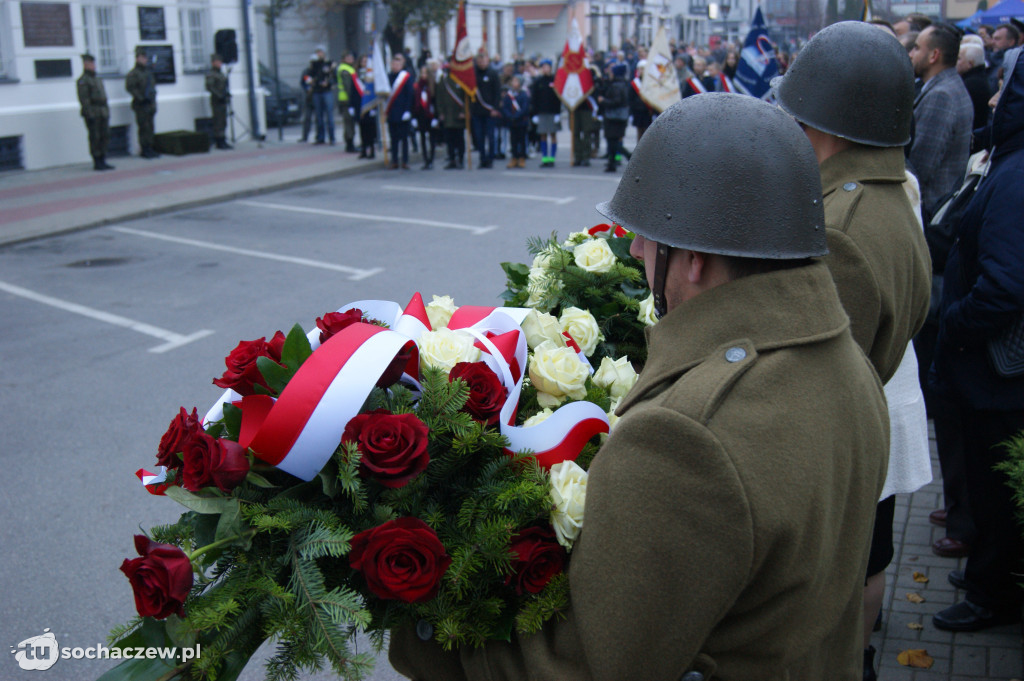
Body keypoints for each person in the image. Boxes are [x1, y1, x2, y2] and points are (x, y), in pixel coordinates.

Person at [389, 93, 890, 681]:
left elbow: (586, 668)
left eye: (650, 235)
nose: (634, 248)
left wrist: (420, 624)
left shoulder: (686, 437)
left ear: (696, 259)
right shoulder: (848, 363)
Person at [773, 22, 933, 681]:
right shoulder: (890, 190)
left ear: (826, 119)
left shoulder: (841, 224)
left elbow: (810, 384)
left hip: (830, 457)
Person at [930, 48, 1024, 633]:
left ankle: (993, 594)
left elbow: (1006, 286)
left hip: (997, 375)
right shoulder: (1010, 162)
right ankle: (988, 570)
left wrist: (955, 326)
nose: (990, 98)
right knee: (988, 488)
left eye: (1004, 90)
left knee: (996, 489)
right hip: (990, 372)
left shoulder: (1017, 177)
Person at [909, 24, 973, 218]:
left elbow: (921, 167)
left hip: (931, 208)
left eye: (917, 48)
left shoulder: (941, 96)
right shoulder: (949, 85)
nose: (911, 54)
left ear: (934, 55)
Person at [76, 53, 113, 171]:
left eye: (93, 63)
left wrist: (107, 110)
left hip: (102, 111)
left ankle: (103, 158)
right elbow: (84, 99)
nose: (93, 65)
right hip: (93, 112)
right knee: (95, 137)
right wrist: (89, 113)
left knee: (105, 136)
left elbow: (104, 96)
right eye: (90, 63)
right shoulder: (83, 80)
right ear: (85, 65)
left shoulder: (97, 79)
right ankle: (97, 161)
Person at [125, 47, 159, 158]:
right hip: (141, 105)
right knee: (143, 127)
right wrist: (141, 98)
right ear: (137, 58)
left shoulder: (148, 72)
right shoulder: (133, 74)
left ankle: (150, 147)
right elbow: (130, 88)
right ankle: (144, 149)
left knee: (150, 127)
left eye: (145, 58)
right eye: (142, 58)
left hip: (150, 104)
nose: (145, 60)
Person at [471, 51, 501, 168]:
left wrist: (495, 108)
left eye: (483, 61)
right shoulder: (473, 75)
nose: (481, 63)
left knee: (491, 136)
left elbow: (497, 93)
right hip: (477, 111)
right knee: (479, 137)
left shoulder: (493, 74)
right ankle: (482, 158)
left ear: (487, 61)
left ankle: (490, 159)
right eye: (479, 61)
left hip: (490, 111)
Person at [530, 59, 561, 167]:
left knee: (553, 134)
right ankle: (545, 158)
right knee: (542, 135)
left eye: (547, 67)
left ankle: (552, 158)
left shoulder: (555, 81)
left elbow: (558, 98)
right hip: (541, 112)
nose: (545, 69)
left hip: (552, 112)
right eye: (543, 67)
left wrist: (558, 113)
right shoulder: (538, 82)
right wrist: (534, 114)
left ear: (550, 68)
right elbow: (534, 98)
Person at [385, 53, 414, 170]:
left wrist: (407, 110)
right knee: (394, 139)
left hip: (402, 112)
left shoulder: (406, 77)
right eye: (393, 64)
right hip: (391, 112)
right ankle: (395, 160)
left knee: (404, 139)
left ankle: (405, 160)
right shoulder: (388, 77)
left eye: (398, 64)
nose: (395, 66)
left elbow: (410, 95)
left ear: (402, 65)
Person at [599, 63, 629, 173]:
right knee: (613, 140)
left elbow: (616, 101)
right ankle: (612, 162)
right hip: (618, 116)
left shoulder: (616, 85)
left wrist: (603, 101)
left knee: (613, 141)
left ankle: (627, 156)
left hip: (614, 117)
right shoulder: (621, 83)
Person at [436, 67, 467, 169]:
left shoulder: (462, 81)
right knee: (449, 140)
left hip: (458, 115)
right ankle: (452, 159)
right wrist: (440, 112)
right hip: (448, 115)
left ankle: (461, 159)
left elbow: (466, 98)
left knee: (459, 139)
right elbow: (439, 98)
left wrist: (464, 112)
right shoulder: (444, 82)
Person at [500, 74, 530, 168]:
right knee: (513, 140)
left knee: (521, 140)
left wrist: (517, 116)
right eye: (513, 81)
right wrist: (509, 116)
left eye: (516, 81)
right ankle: (514, 157)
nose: (514, 83)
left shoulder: (523, 94)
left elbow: (525, 108)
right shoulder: (509, 95)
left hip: (521, 121)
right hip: (512, 121)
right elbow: (505, 107)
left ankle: (522, 157)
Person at [412, 65, 437, 169]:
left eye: (425, 73)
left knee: (431, 138)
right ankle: (425, 160)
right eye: (422, 73)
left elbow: (436, 102)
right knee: (422, 138)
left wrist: (436, 117)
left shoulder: (433, 86)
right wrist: (413, 117)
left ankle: (431, 159)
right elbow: (414, 102)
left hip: (430, 115)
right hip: (420, 115)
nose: (423, 75)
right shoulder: (417, 86)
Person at [205, 53, 231, 150]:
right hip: (217, 101)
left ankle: (223, 139)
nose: (220, 63)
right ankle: (219, 141)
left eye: (220, 62)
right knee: (218, 121)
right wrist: (219, 96)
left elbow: (223, 86)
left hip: (223, 100)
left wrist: (226, 94)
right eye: (218, 62)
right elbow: (210, 87)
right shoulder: (211, 74)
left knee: (223, 121)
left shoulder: (221, 73)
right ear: (213, 63)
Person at [310, 47, 335, 145]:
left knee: (329, 115)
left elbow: (333, 77)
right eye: (317, 52)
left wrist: (328, 83)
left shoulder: (329, 63)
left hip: (326, 91)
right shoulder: (314, 64)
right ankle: (320, 137)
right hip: (317, 91)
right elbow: (309, 76)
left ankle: (332, 137)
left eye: (321, 52)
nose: (319, 54)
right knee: (318, 116)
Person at [336, 51, 358, 152]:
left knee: (350, 122)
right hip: (346, 100)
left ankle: (350, 143)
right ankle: (350, 144)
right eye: (348, 57)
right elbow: (348, 86)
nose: (351, 59)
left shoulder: (349, 68)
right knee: (349, 123)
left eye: (351, 57)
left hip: (347, 99)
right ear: (344, 59)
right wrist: (352, 99)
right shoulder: (345, 69)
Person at [356, 67, 378, 160]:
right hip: (360, 109)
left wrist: (374, 108)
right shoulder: (357, 83)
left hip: (369, 109)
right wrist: (352, 107)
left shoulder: (371, 83)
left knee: (371, 131)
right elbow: (354, 95)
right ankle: (364, 150)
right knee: (362, 131)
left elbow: (374, 95)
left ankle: (372, 151)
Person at [298, 54, 316, 143]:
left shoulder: (319, 71)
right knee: (307, 118)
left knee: (319, 118)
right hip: (309, 98)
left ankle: (320, 136)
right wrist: (307, 88)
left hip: (317, 97)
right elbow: (303, 82)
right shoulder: (306, 71)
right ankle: (305, 136)